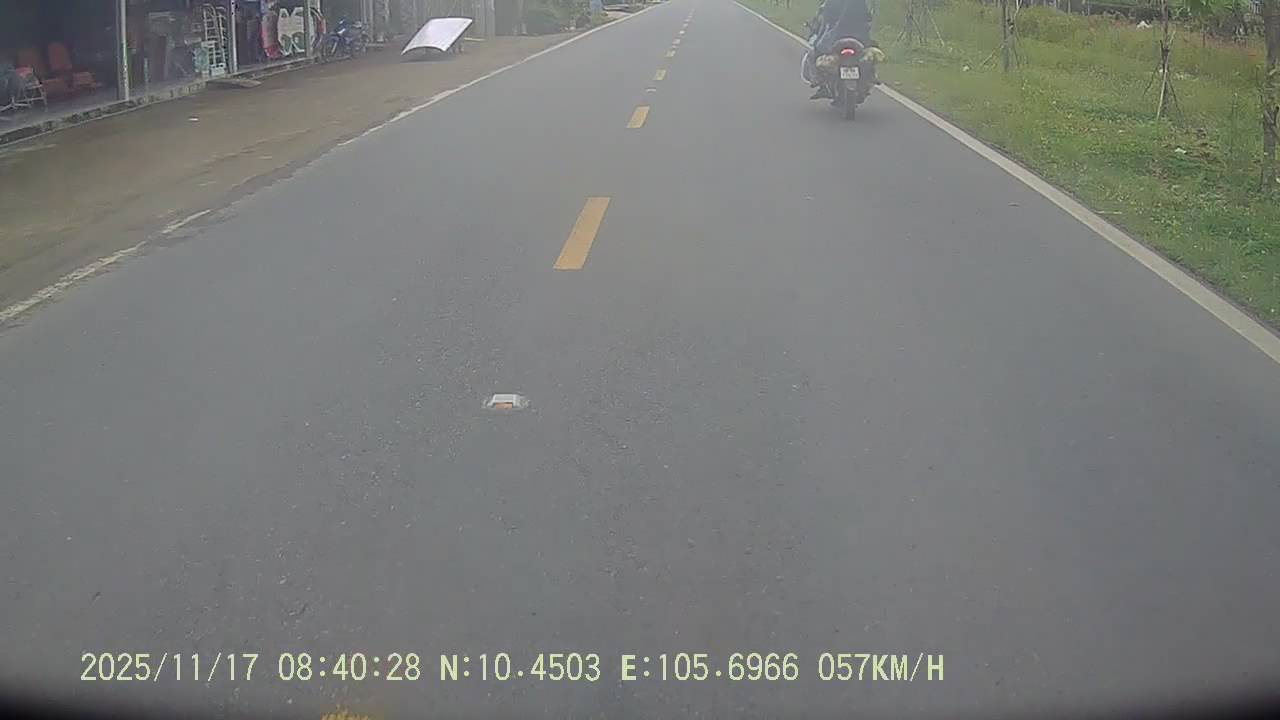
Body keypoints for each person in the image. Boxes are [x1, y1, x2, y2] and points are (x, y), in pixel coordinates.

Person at [807, 0, 873, 100]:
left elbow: (826, 18)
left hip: (837, 37)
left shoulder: (832, 4)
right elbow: (868, 18)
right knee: (868, 56)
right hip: (859, 38)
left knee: (814, 54)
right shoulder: (860, 3)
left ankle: (819, 82)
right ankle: (868, 80)